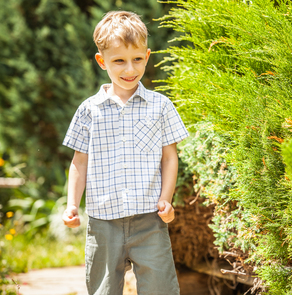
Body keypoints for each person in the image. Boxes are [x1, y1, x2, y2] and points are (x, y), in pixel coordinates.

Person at [61, 11, 188, 295]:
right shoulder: (89, 110)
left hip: (149, 221)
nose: (130, 69)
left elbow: (169, 157)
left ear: (147, 55)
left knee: (161, 289)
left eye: (137, 59)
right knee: (102, 290)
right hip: (103, 222)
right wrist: (72, 204)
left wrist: (166, 199)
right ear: (102, 61)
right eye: (119, 61)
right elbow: (80, 161)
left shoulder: (161, 106)